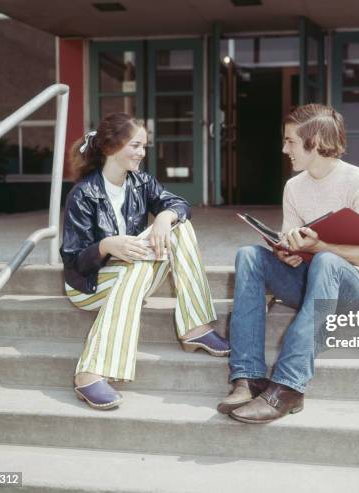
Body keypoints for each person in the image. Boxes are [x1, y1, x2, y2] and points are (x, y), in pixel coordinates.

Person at [218, 104, 359, 424]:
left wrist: (320, 246)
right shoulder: (294, 186)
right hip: (308, 280)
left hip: (348, 286)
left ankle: (289, 386)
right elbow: (290, 241)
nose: (284, 149)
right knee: (249, 255)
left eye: (290, 141)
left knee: (327, 260)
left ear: (316, 140)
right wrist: (286, 253)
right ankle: (249, 376)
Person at [61, 112, 229, 411]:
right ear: (112, 147)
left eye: (144, 146)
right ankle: (90, 371)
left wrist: (165, 216)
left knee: (180, 227)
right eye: (136, 145)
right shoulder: (83, 194)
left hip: (132, 272)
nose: (142, 153)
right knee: (135, 267)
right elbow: (75, 261)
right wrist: (106, 245)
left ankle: (195, 327)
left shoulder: (140, 182)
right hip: (89, 284)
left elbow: (178, 204)